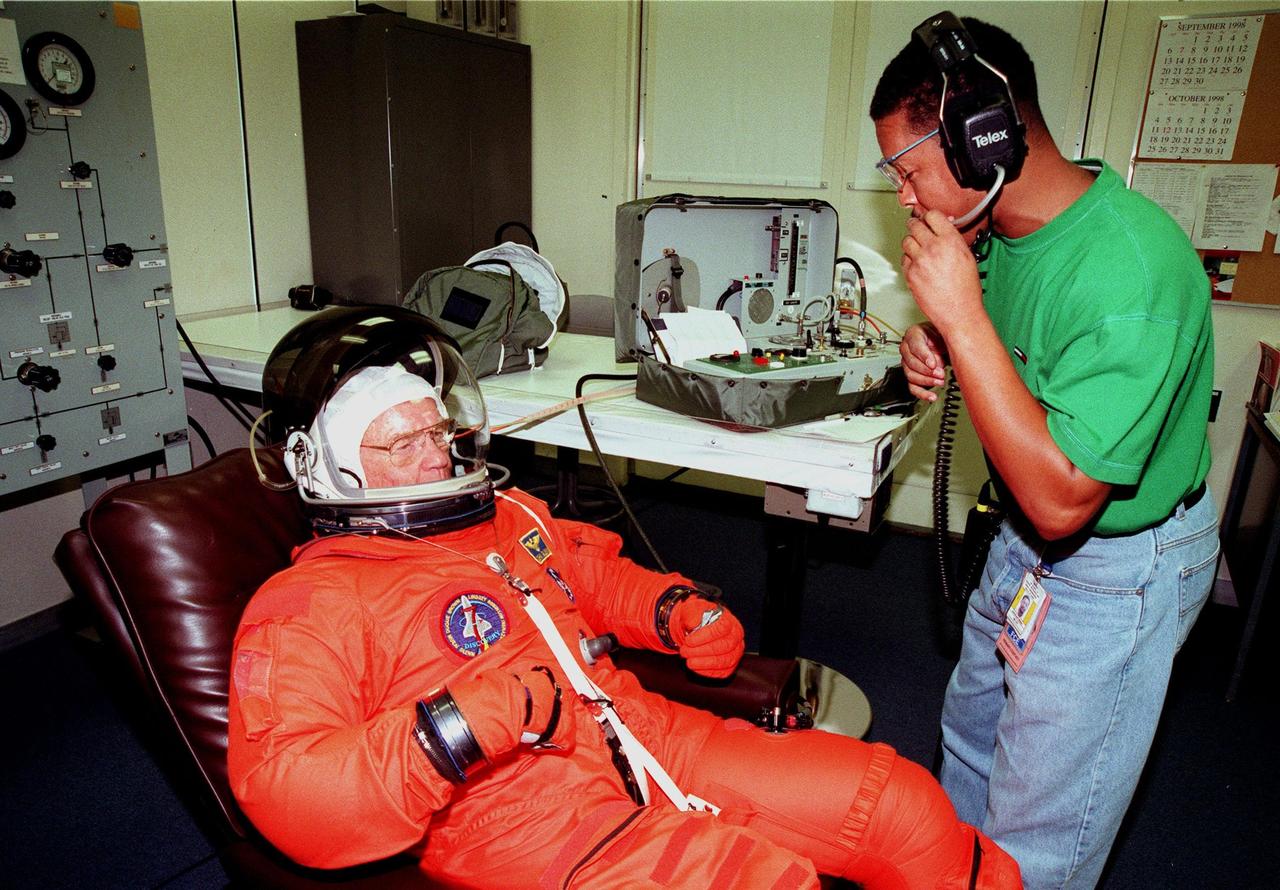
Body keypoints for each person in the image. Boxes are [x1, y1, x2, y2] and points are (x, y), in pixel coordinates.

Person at [228, 305, 1021, 889]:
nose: (436, 457)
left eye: (437, 431)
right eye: (403, 443)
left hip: (637, 728)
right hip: (512, 817)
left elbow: (588, 569)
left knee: (902, 808)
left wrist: (671, 608)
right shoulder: (305, 605)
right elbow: (291, 791)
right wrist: (451, 730)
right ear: (326, 468)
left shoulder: (511, 516)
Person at [870, 14, 1218, 889]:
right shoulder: (1006, 233)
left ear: (982, 135)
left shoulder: (1134, 270)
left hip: (1112, 560)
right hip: (1022, 539)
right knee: (971, 744)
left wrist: (961, 319)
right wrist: (939, 340)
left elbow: (1068, 497)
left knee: (1040, 840)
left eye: (908, 172)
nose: (905, 200)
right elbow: (1014, 349)